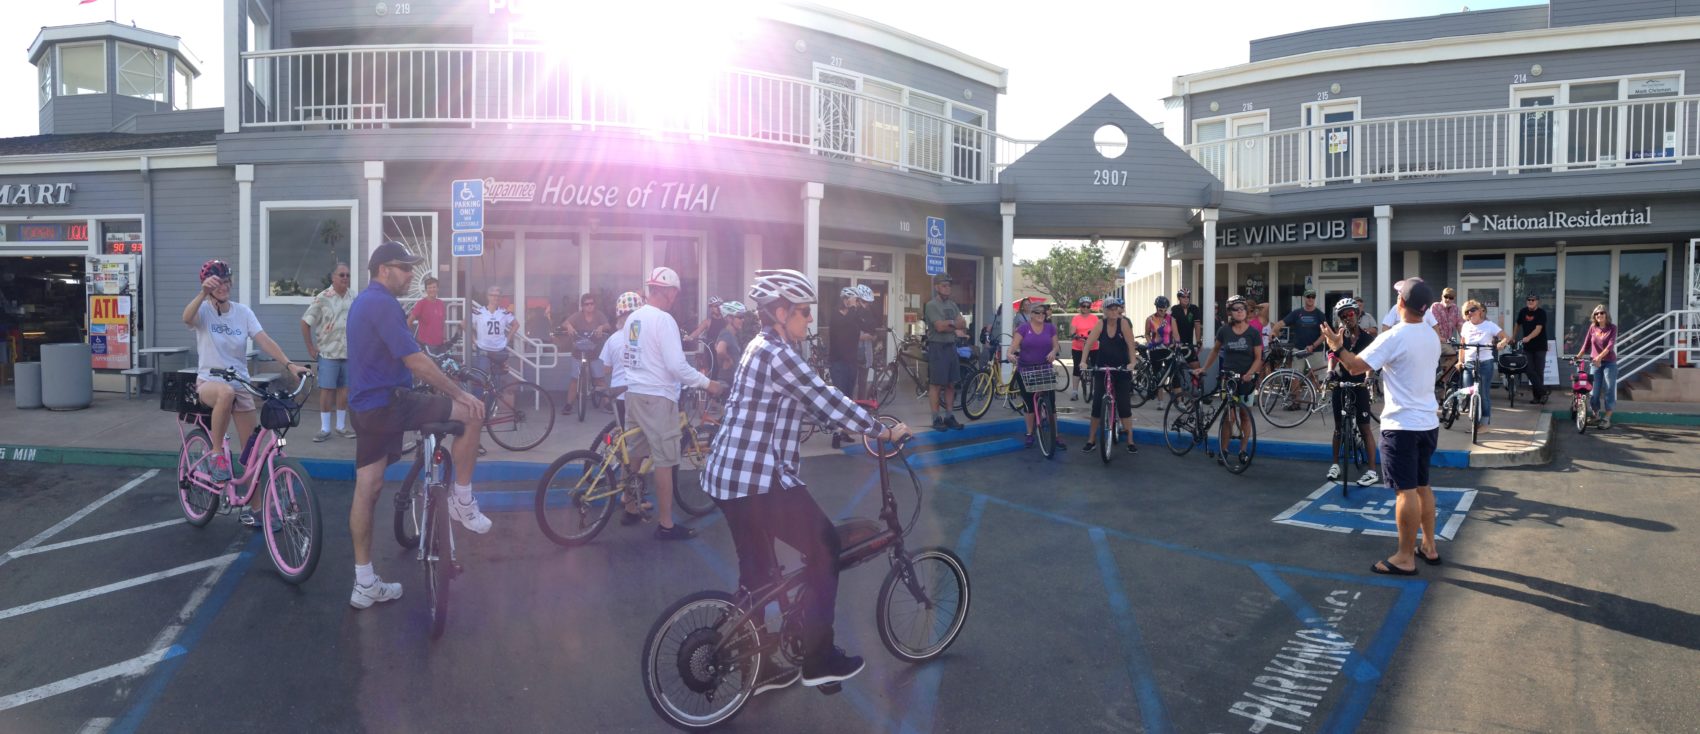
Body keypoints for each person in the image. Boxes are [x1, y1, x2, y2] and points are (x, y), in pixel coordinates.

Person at [704, 269, 911, 691]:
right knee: (825, 546)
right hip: (757, 480)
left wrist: (840, 415)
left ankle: (757, 668)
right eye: (801, 313)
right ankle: (819, 659)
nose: (807, 321)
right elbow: (823, 397)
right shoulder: (778, 354)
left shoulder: (761, 346)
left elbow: (807, 404)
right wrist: (880, 429)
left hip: (732, 479)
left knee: (759, 574)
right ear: (779, 312)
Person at [345, 242, 490, 609]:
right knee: (472, 412)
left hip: (365, 406)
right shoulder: (383, 303)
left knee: (369, 486)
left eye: (411, 268)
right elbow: (415, 360)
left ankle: (364, 583)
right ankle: (461, 500)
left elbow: (405, 353)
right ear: (383, 270)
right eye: (404, 268)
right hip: (390, 403)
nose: (410, 275)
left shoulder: (364, 302)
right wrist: (459, 393)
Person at [1322, 278, 1442, 576]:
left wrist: (1336, 348)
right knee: (1423, 486)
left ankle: (1404, 557)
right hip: (1427, 422)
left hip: (1402, 425)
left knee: (1406, 492)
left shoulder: (1396, 336)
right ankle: (1429, 546)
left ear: (1401, 304)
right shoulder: (1431, 335)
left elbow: (1355, 367)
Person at [182, 260, 312, 527]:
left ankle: (254, 510)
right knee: (225, 392)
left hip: (241, 384)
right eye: (217, 283)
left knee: (252, 451)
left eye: (227, 281)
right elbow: (186, 318)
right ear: (209, 287)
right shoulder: (204, 310)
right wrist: (201, 294)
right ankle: (217, 455)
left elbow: (263, 339)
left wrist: (289, 365)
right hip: (210, 383)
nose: (224, 287)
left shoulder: (242, 312)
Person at [622, 266, 726, 540]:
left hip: (634, 393)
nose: (675, 298)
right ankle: (666, 525)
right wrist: (708, 383)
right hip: (658, 397)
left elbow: (629, 356)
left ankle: (630, 506)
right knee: (665, 460)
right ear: (667, 292)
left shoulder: (633, 318)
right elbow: (677, 366)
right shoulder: (663, 320)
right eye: (675, 293)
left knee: (635, 452)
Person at [1195, 294, 1263, 465]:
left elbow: (1258, 358)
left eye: (1242, 308)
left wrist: (1250, 373)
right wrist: (1204, 368)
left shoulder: (1253, 333)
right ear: (1230, 312)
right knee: (1229, 417)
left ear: (1246, 311)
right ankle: (1223, 450)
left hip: (1247, 380)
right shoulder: (1224, 331)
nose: (1240, 311)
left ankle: (1242, 451)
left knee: (1245, 416)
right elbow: (1215, 351)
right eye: (1236, 309)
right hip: (1229, 379)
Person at [1324, 298, 1379, 486]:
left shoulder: (1367, 338)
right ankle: (1335, 464)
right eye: (1343, 316)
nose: (1348, 318)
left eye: (1351, 313)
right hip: (1341, 384)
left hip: (1360, 385)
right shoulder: (1339, 336)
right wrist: (1330, 371)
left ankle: (1372, 470)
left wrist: (1369, 377)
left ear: (1357, 314)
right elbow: (1333, 354)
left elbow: (1372, 361)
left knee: (1365, 428)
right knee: (1338, 427)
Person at [1081, 297, 1139, 455]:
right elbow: (1088, 344)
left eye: (1116, 309)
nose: (1114, 311)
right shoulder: (1101, 324)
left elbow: (1130, 344)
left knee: (1124, 405)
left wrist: (1132, 363)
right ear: (1105, 311)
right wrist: (1083, 362)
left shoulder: (1124, 324)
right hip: (1103, 367)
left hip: (1121, 368)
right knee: (1097, 405)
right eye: (1110, 309)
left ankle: (1130, 440)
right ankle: (1091, 439)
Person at [1012, 299, 1065, 449]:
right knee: (1029, 404)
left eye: (1043, 312)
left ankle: (1055, 435)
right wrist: (1010, 355)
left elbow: (1056, 346)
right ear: (1031, 314)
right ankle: (1029, 433)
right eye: (1037, 312)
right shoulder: (1023, 329)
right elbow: (1013, 347)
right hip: (1026, 369)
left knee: (1051, 404)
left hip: (1044, 369)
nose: (1041, 315)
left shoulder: (1050, 328)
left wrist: (1054, 352)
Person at [923, 273, 968, 431]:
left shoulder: (952, 304)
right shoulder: (931, 305)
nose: (947, 288)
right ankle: (936, 418)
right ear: (936, 287)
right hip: (937, 347)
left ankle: (949, 416)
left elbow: (963, 323)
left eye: (949, 285)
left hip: (951, 346)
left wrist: (951, 324)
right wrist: (952, 323)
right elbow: (939, 327)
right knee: (935, 385)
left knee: (951, 384)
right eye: (944, 285)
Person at [558, 292, 612, 415]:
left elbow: (608, 326)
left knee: (600, 379)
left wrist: (601, 328)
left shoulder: (599, 315)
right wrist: (569, 326)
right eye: (586, 304)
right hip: (578, 351)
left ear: (595, 305)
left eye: (592, 304)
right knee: (574, 379)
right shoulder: (577, 316)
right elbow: (564, 323)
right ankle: (569, 405)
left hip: (595, 352)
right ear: (582, 306)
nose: (589, 306)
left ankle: (607, 403)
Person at [1457, 299, 1509, 425]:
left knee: (1483, 393)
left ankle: (1484, 422)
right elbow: (1462, 345)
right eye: (1467, 311)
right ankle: (1471, 413)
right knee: (1468, 390)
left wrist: (1502, 343)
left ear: (1480, 311)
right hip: (1469, 363)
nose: (1470, 313)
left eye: (1473, 310)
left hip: (1485, 363)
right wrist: (1460, 361)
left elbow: (1506, 337)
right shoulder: (1466, 326)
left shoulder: (1489, 325)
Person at [599, 291, 645, 430]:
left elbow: (606, 369)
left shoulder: (612, 339)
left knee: (624, 434)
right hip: (641, 393)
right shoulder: (644, 335)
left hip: (619, 395)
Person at [1575, 304, 1618, 428]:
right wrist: (1577, 357)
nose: (1599, 315)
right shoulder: (1593, 328)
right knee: (1594, 391)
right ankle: (1596, 415)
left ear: (1606, 314)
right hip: (1595, 363)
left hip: (1609, 362)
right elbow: (1586, 345)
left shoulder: (1612, 328)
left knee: (1609, 389)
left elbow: (1610, 346)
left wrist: (1599, 357)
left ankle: (1607, 418)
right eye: (1596, 314)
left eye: (1602, 313)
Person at [1278, 288, 1329, 388]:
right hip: (1299, 349)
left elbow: (1324, 334)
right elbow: (1281, 323)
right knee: (1295, 376)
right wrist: (1274, 331)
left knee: (1314, 376)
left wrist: (1313, 346)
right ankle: (1295, 402)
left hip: (1315, 350)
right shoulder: (1296, 313)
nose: (1310, 299)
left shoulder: (1320, 314)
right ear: (1304, 298)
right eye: (1308, 296)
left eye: (1313, 297)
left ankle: (1313, 402)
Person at [469, 285, 516, 382]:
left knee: (496, 380)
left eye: (498, 295)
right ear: (488, 296)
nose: (496, 297)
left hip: (499, 350)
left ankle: (493, 398)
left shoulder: (504, 313)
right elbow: (464, 324)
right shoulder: (479, 312)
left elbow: (516, 325)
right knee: (481, 379)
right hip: (483, 350)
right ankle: (480, 398)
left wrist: (507, 340)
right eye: (493, 295)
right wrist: (474, 340)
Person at [1515, 293, 1551, 403]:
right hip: (1528, 347)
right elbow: (1517, 324)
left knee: (1539, 372)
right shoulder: (1523, 312)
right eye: (1528, 299)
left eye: (1533, 300)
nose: (1530, 301)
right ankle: (1544, 391)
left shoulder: (1541, 313)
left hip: (1540, 346)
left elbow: (1538, 329)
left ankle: (1537, 397)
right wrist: (1513, 337)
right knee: (1529, 370)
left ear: (1537, 301)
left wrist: (1528, 337)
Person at [1145, 296, 1179, 403]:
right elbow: (1147, 333)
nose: (1163, 312)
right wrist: (1150, 342)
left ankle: (1180, 400)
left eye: (1165, 309)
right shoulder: (1150, 319)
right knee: (1158, 374)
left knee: (1174, 373)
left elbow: (1176, 335)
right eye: (1160, 309)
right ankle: (1160, 401)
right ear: (1156, 308)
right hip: (1155, 350)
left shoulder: (1171, 319)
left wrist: (1177, 343)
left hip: (1168, 349)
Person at [1069, 297, 1100, 401]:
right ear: (1080, 307)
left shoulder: (1095, 318)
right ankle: (1074, 392)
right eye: (1084, 306)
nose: (1086, 308)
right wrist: (1075, 335)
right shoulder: (1076, 318)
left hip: (1093, 346)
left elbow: (1098, 330)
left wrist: (1096, 335)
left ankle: (1096, 390)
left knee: (1096, 368)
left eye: (1088, 306)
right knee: (1077, 368)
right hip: (1078, 346)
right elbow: (1072, 332)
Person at [712, 300, 749, 384]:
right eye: (740, 317)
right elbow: (720, 350)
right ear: (729, 318)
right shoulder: (726, 333)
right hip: (727, 382)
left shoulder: (732, 335)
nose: (742, 320)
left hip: (732, 380)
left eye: (743, 317)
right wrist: (728, 359)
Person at [407, 275, 447, 350]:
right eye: (429, 287)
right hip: (425, 345)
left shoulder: (441, 303)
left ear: (438, 288)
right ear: (426, 289)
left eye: (434, 287)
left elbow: (442, 323)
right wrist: (408, 339)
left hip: (440, 344)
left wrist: (444, 338)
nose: (432, 289)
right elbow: (409, 321)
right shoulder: (421, 303)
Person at [1431, 287, 1463, 362]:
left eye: (1451, 298)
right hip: (1436, 340)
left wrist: (1463, 338)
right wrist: (1439, 337)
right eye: (1446, 297)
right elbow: (1433, 324)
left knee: (1460, 354)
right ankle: (1444, 373)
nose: (1448, 299)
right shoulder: (1435, 306)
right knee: (1451, 354)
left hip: (1447, 341)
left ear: (1454, 299)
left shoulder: (1455, 308)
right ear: (1442, 297)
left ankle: (1445, 373)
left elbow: (1459, 324)